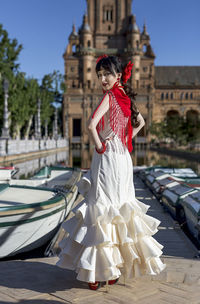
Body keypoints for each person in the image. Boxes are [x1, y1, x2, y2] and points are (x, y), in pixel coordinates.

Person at [56, 55, 166, 290]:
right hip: (123, 158)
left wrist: (100, 145)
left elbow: (90, 125)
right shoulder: (124, 97)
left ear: (117, 76)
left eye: (106, 74)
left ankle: (97, 271)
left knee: (102, 209)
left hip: (108, 159)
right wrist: (123, 140)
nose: (102, 79)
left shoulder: (110, 96)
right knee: (118, 208)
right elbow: (141, 123)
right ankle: (111, 269)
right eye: (99, 75)